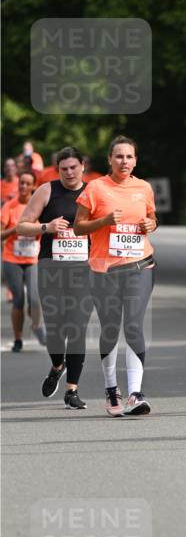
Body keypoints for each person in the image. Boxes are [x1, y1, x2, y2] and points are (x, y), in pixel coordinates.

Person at [73, 136, 157, 417]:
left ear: (136, 160)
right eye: (119, 156)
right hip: (104, 270)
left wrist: (150, 224)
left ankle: (136, 392)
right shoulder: (95, 188)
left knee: (133, 325)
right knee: (110, 328)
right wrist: (105, 222)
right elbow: (78, 228)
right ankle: (112, 389)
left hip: (140, 265)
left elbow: (151, 219)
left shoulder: (144, 187)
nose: (124, 162)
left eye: (129, 157)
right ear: (110, 159)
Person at [16, 146, 92, 409]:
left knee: (77, 327)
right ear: (57, 169)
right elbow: (22, 224)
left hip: (84, 268)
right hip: (51, 266)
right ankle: (57, 365)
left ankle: (72, 390)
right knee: (57, 328)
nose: (69, 173)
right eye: (64, 169)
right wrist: (46, 227)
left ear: (83, 165)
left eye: (74, 167)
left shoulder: (93, 192)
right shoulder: (47, 190)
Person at [1, 170, 47, 351]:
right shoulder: (10, 206)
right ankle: (18, 338)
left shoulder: (39, 207)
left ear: (34, 187)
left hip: (33, 258)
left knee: (35, 299)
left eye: (28, 183)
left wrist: (35, 230)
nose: (23, 186)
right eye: (21, 183)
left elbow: (47, 228)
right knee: (18, 300)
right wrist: (16, 230)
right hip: (12, 258)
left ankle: (36, 325)